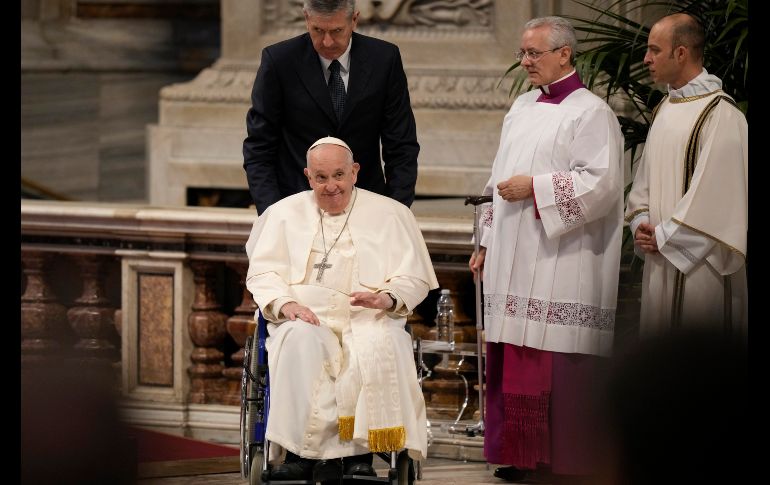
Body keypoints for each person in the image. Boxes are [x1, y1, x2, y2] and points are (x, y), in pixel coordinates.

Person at [468, 16, 624, 482]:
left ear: (564, 54)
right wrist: (485, 242)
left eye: (534, 53)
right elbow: (497, 179)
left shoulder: (591, 112)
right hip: (512, 252)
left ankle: (564, 461)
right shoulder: (521, 106)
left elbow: (601, 184)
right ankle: (521, 456)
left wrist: (535, 188)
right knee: (514, 354)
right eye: (522, 52)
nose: (525, 61)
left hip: (562, 258)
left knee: (555, 358)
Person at [245, 136, 438, 482]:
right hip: (305, 315)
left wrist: (387, 298)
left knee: (379, 343)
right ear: (308, 176)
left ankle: (359, 457)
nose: (331, 186)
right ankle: (300, 456)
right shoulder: (282, 214)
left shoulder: (391, 214)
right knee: (298, 341)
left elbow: (413, 276)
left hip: (367, 315)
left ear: (355, 172)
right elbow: (262, 273)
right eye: (321, 178)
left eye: (339, 175)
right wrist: (287, 304)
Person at [625, 13, 747, 337]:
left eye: (654, 50)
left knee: (697, 356)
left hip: (701, 265)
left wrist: (665, 236)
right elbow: (643, 182)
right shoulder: (664, 108)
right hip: (659, 258)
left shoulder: (721, 114)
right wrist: (641, 224)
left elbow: (717, 199)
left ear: (681, 53)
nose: (646, 59)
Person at [243, 0, 419, 215]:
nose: (327, 42)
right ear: (307, 18)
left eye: (336, 31)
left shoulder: (384, 59)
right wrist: (273, 213)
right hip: (296, 208)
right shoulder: (279, 61)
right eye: (318, 30)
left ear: (354, 20)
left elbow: (401, 146)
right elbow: (259, 147)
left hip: (368, 206)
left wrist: (396, 211)